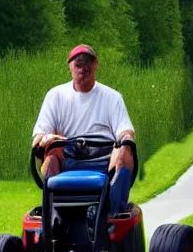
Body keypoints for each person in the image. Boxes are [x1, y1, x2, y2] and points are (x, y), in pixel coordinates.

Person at [31, 44, 136, 214]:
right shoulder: (55, 96)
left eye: (88, 63)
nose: (83, 68)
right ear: (70, 67)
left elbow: (125, 131)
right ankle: (53, 218)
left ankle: (112, 215)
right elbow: (38, 136)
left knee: (125, 153)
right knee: (50, 156)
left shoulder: (112, 97)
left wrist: (126, 142)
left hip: (104, 159)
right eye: (78, 64)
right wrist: (45, 139)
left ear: (96, 64)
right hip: (69, 159)